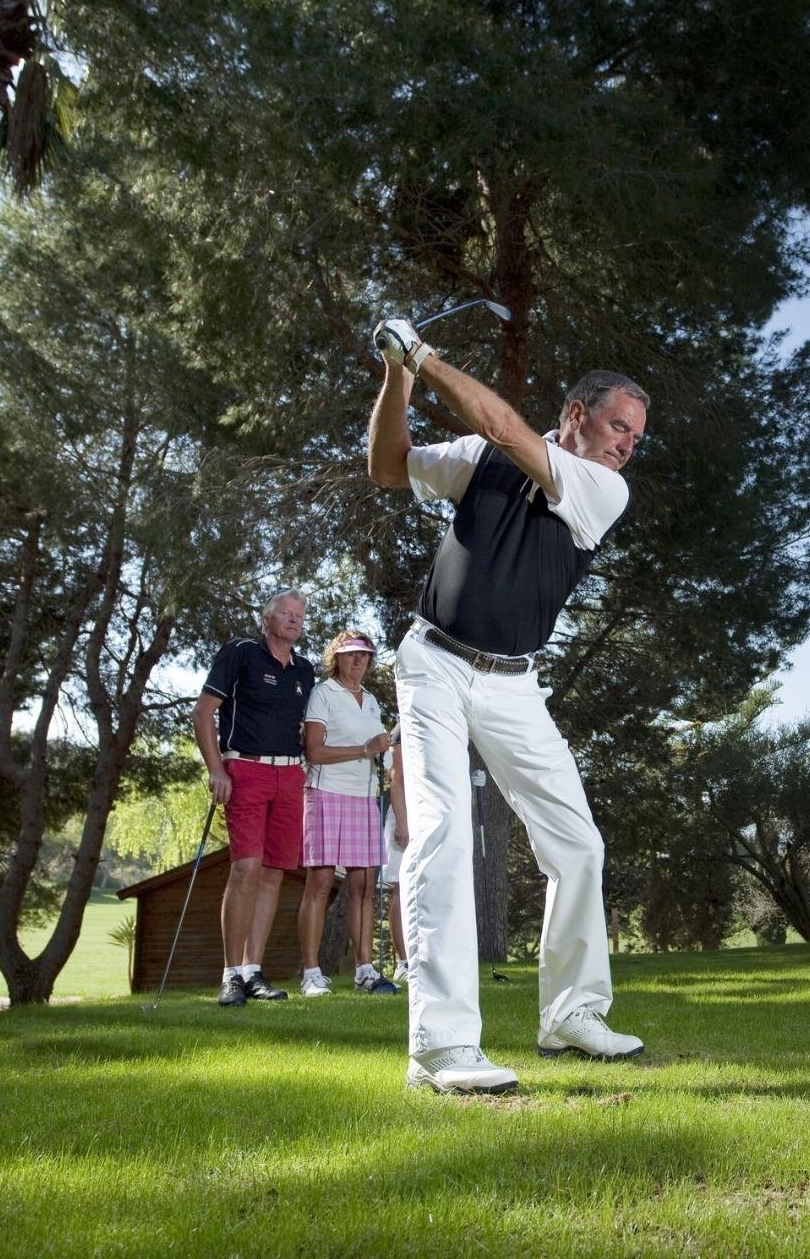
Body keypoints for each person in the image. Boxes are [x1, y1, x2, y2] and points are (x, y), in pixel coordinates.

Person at [368, 315, 648, 1094]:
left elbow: (501, 421)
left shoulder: (602, 488)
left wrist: (421, 355)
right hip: (433, 665)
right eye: (619, 426)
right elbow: (388, 466)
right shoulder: (479, 459)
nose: (627, 444)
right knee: (444, 833)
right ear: (577, 414)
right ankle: (441, 1047)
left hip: (514, 683)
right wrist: (396, 376)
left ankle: (571, 1013)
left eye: (635, 436)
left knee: (578, 845)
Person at [191, 589, 316, 1007]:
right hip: (244, 768)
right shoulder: (240, 653)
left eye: (299, 615)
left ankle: (252, 971)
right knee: (245, 867)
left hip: (290, 773)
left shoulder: (304, 669)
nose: (294, 620)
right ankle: (229, 975)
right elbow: (203, 712)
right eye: (286, 613)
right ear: (267, 619)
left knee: (274, 872)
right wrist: (215, 768)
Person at [297, 629, 397, 996]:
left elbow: (373, 749)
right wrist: (364, 748)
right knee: (320, 883)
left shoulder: (371, 700)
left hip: (363, 796)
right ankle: (311, 973)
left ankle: (365, 970)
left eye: (364, 654)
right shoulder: (323, 694)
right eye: (350, 654)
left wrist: (380, 752)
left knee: (364, 886)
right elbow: (314, 751)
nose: (358, 660)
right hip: (325, 792)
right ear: (336, 657)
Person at [378, 730, 410, 983]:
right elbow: (396, 778)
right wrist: (401, 822)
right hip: (404, 816)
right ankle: (403, 962)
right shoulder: (401, 730)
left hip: (427, 815)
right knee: (401, 890)